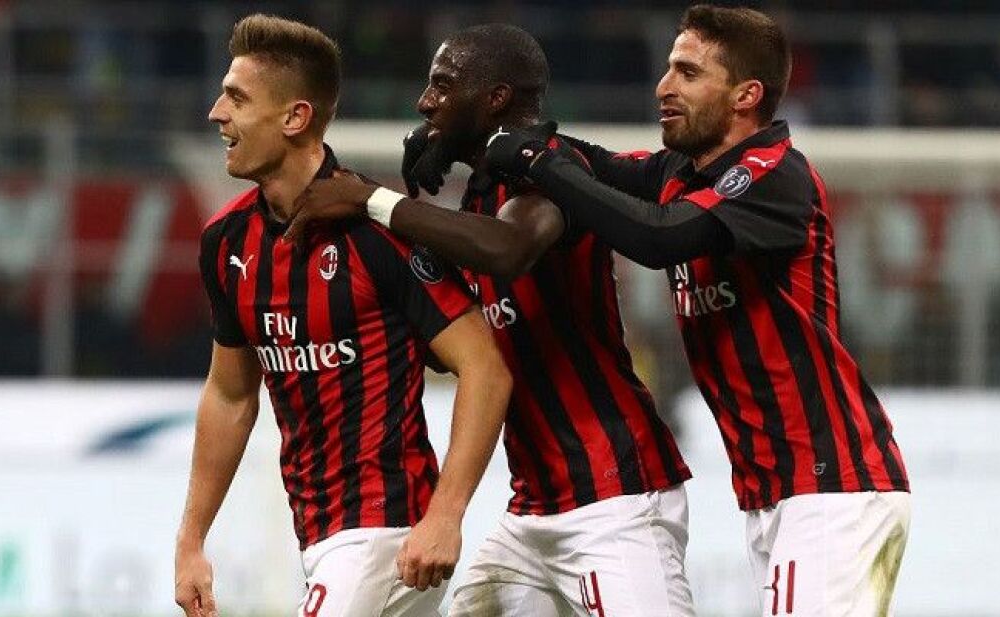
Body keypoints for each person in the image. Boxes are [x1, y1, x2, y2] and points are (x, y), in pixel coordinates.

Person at [481, 5, 911, 616]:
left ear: (746, 95)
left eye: (687, 72)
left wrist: (536, 160)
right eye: (668, 69)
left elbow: (659, 237)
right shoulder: (680, 172)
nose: (664, 86)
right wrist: (477, 138)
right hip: (781, 491)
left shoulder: (773, 174)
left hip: (833, 484)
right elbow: (595, 166)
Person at [286, 23, 695, 617]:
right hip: (533, 511)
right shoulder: (481, 196)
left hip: (614, 497)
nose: (424, 103)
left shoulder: (554, 173)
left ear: (495, 98)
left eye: (442, 86)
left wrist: (372, 199)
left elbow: (508, 248)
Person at [173, 15, 511, 617]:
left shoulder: (378, 232)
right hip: (319, 535)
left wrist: (445, 515)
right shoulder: (226, 241)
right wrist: (192, 541)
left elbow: (485, 366)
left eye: (237, 98)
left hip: (387, 532)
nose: (216, 113)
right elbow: (230, 394)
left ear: (295, 117)